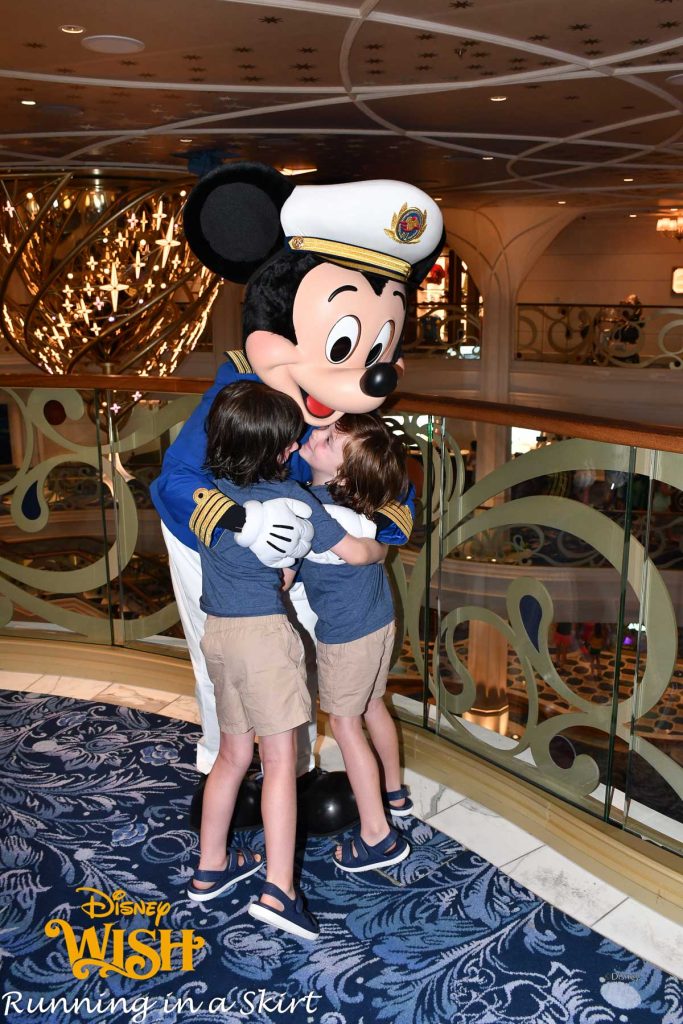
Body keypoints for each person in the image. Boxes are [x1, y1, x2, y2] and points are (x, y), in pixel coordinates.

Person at [151, 162, 444, 831]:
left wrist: (377, 540)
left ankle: (296, 767)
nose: (367, 370)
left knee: (309, 656)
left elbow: (397, 490)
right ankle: (225, 761)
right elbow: (174, 481)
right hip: (220, 551)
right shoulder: (237, 395)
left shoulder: (346, 423)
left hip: (319, 553)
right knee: (222, 658)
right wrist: (239, 523)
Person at [187, 381, 387, 940]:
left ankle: (211, 866)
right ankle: (280, 889)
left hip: (219, 636)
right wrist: (381, 547)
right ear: (279, 453)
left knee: (231, 756)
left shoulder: (213, 500)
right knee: (279, 764)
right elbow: (350, 550)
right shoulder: (295, 501)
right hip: (265, 641)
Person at [297, 413, 413, 872]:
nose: (315, 437)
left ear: (343, 473)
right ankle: (394, 793)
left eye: (327, 439)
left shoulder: (313, 511)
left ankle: (377, 836)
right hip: (379, 621)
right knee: (374, 706)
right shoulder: (361, 506)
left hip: (347, 635)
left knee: (345, 726)